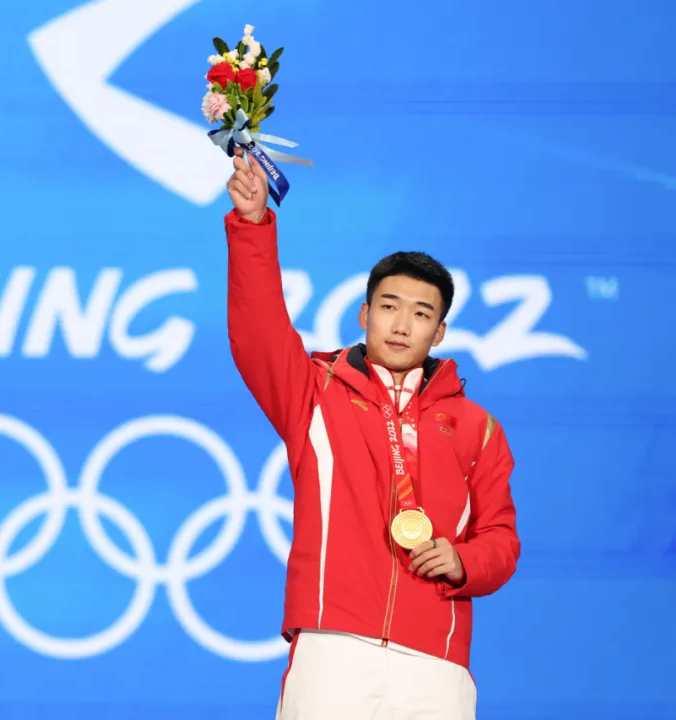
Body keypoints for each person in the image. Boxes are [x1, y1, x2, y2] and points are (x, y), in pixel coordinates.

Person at [223, 148, 520, 720]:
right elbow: (257, 328)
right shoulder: (313, 392)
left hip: (435, 661)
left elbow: (501, 539)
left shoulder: (477, 428)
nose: (402, 324)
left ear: (439, 331)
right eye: (389, 306)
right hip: (333, 646)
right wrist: (252, 224)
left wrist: (464, 560)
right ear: (364, 315)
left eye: (421, 313)